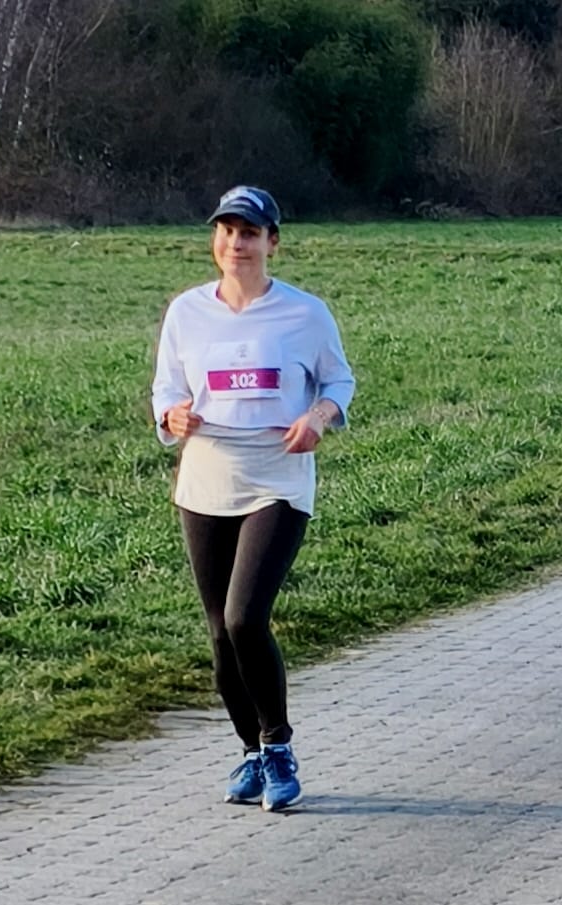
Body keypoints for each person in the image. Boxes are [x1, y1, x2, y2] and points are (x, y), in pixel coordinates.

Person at [150, 186, 356, 811]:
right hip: (206, 478)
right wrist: (172, 415)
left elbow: (339, 380)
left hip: (277, 478)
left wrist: (318, 416)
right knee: (220, 635)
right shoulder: (187, 312)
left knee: (245, 618)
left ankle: (278, 746)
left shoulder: (304, 313)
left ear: (272, 243)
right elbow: (165, 390)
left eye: (249, 233)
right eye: (226, 231)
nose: (236, 243)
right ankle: (250, 753)